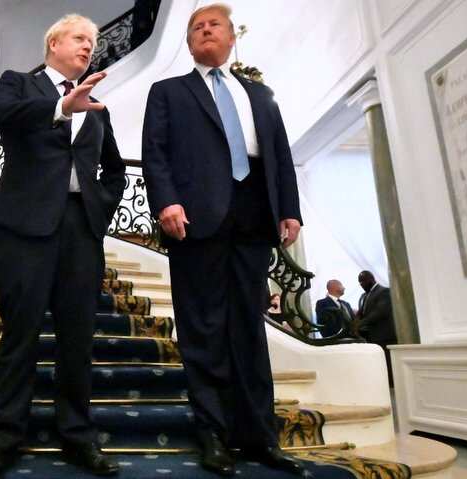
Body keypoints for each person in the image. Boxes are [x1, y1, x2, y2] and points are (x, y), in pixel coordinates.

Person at [141, 4, 308, 477]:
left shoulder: (258, 93)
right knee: (203, 329)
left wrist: (289, 209)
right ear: (190, 42)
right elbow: (154, 152)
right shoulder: (169, 91)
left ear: (232, 37)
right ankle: (212, 435)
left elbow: (279, 152)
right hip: (196, 219)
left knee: (250, 330)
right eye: (196, 27)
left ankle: (260, 437)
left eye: (213, 24)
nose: (204, 30)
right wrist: (166, 202)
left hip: (254, 216)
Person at [0, 13, 126, 479]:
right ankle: (2, 440)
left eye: (93, 42)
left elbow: (114, 168)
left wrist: (101, 207)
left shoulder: (97, 105)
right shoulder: (19, 83)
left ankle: (78, 437)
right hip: (25, 229)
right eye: (80, 38)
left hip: (81, 231)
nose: (88, 47)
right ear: (53, 42)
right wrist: (62, 108)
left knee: (78, 339)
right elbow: (3, 118)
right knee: (20, 337)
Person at [356, 271, 398, 387]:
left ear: (371, 279)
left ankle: (391, 386)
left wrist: (359, 324)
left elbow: (380, 312)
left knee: (387, 363)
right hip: (370, 336)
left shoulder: (384, 291)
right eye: (359, 282)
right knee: (378, 363)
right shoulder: (364, 295)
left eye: (363, 281)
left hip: (384, 335)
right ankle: (381, 385)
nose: (361, 284)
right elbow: (363, 312)